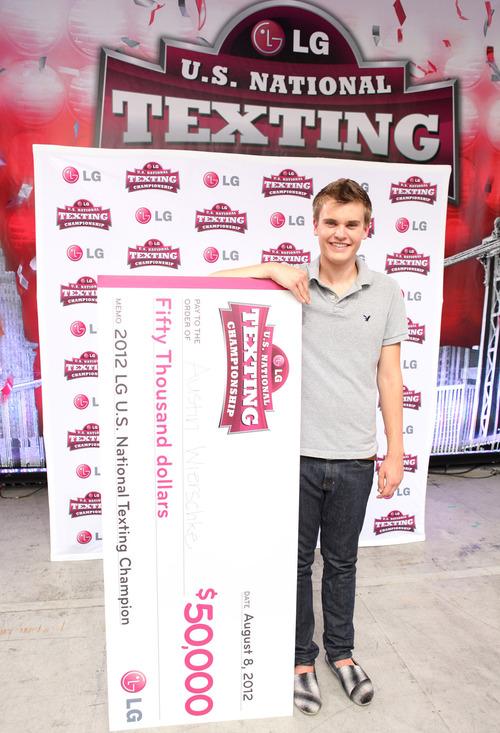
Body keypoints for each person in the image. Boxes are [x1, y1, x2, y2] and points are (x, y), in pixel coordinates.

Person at [214, 178, 407, 713]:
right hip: (292, 457)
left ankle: (341, 655)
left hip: (355, 457)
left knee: (342, 563)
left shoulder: (386, 293)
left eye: (352, 224)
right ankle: (302, 661)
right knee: (297, 564)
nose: (341, 233)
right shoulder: (290, 285)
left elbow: (390, 377)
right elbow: (204, 285)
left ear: (367, 229)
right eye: (331, 223)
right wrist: (267, 268)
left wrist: (395, 451)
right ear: (315, 225)